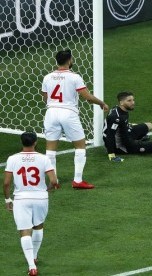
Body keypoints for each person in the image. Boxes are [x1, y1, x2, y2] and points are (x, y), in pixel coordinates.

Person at [42, 49, 109, 189]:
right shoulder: (74, 77)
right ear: (69, 60)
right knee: (80, 146)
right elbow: (87, 97)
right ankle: (77, 180)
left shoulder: (47, 77)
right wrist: (101, 103)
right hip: (68, 113)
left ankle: (53, 181)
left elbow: (45, 97)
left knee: (50, 150)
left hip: (51, 112)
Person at [3, 132, 59, 276]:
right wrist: (50, 188)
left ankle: (32, 266)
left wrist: (8, 199)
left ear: (22, 142)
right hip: (40, 198)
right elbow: (54, 181)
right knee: (38, 226)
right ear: (35, 142)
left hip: (21, 199)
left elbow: (6, 183)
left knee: (24, 231)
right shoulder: (43, 158)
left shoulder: (12, 159)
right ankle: (34, 255)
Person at [103, 91, 152, 162]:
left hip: (126, 134)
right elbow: (109, 136)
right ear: (121, 103)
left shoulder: (119, 109)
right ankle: (137, 143)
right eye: (129, 101)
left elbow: (122, 125)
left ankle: (139, 139)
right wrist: (111, 155)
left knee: (149, 125)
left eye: (133, 100)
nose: (133, 103)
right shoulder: (116, 117)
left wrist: (130, 125)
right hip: (122, 145)